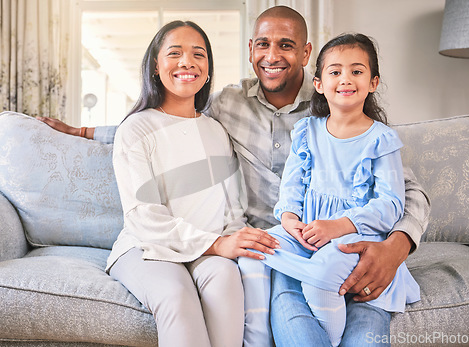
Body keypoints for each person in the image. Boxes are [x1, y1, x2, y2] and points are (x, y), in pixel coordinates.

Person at [38, 5, 430, 346]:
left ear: (307, 54)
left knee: (364, 327)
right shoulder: (226, 105)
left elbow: (406, 189)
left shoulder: (339, 99)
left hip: (346, 245)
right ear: (250, 51)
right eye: (263, 44)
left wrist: (397, 246)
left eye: (286, 45)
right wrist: (84, 132)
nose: (272, 55)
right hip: (273, 247)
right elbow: (166, 124)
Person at [104, 20, 279, 347]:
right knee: (176, 297)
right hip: (147, 248)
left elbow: (231, 208)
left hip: (209, 248)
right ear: (156, 65)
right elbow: (143, 218)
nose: (187, 62)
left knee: (227, 282)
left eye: (198, 54)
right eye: (175, 53)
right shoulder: (136, 129)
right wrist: (216, 245)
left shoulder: (216, 129)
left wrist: (234, 239)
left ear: (208, 69)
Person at [239, 32, 421, 346]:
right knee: (256, 249)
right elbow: (292, 185)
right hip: (307, 232)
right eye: (335, 72)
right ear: (320, 84)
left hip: (354, 236)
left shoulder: (381, 139)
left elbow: (391, 203)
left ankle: (329, 336)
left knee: (326, 270)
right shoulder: (307, 131)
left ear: (373, 82)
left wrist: (338, 226)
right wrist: (289, 218)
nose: (346, 79)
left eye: (357, 71)